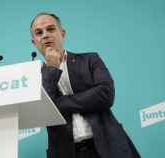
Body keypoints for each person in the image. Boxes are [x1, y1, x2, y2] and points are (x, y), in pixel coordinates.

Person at [30, 12, 140, 158]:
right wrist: (52, 69)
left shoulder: (90, 59)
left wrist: (59, 103)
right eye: (39, 32)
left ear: (62, 33)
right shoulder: (34, 78)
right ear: (34, 42)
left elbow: (105, 94)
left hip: (108, 147)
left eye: (50, 29)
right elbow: (44, 113)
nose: (45, 35)